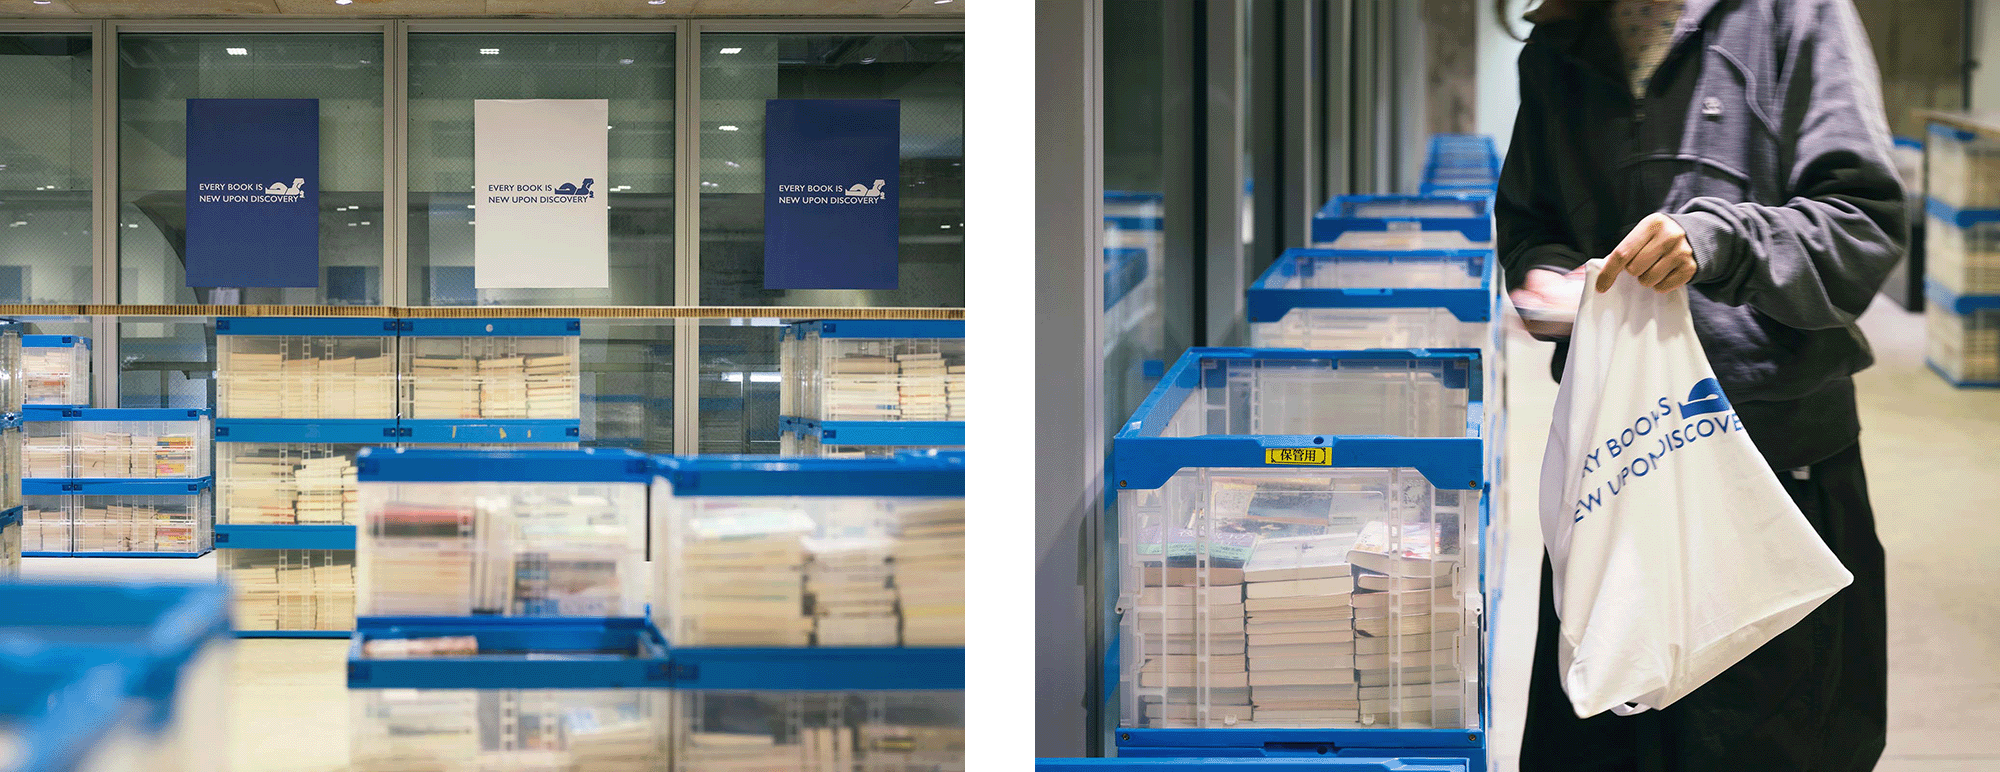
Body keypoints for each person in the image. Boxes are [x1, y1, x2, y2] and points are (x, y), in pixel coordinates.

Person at [1495, 0, 1905, 770]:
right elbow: (1529, 226)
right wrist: (1550, 284)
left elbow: (1862, 224)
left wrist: (1720, 240)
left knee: (1775, 742)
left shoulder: (1796, 18)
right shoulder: (1557, 45)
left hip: (1777, 472)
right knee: (1602, 738)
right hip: (1618, 476)